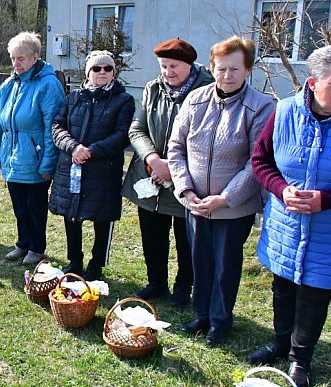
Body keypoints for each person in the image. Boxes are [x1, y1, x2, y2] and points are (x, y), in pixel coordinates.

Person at [247, 45, 331, 387]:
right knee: (283, 285)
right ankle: (280, 343)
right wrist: (282, 190)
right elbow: (261, 161)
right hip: (286, 222)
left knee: (314, 291)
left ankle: (300, 360)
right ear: (312, 83)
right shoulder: (285, 111)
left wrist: (328, 199)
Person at [168, 36, 275, 346]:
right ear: (212, 67)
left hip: (232, 205)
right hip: (196, 201)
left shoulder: (261, 107)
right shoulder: (195, 100)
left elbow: (257, 161)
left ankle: (220, 320)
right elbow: (176, 147)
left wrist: (225, 199)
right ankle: (200, 313)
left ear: (248, 70)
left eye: (235, 69)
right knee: (198, 258)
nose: (227, 76)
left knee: (225, 264)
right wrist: (186, 191)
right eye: (221, 68)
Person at [120, 38, 214, 306]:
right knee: (152, 233)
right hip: (149, 174)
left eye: (174, 66)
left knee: (186, 237)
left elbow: (206, 139)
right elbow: (137, 129)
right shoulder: (153, 88)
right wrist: (152, 159)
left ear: (189, 65)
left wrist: (173, 168)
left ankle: (184, 286)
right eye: (163, 66)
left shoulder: (206, 92)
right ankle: (156, 282)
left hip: (187, 180)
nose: (168, 72)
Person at [48, 50, 134, 280]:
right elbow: (57, 126)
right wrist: (73, 147)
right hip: (72, 165)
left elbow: (122, 135)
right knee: (71, 215)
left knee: (102, 217)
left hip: (103, 170)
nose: (102, 72)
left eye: (108, 68)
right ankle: (74, 260)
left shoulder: (123, 100)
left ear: (114, 72)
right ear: (88, 72)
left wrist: (92, 151)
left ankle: (97, 264)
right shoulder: (74, 96)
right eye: (97, 68)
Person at [0, 32, 64, 264]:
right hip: (11, 156)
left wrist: (47, 162)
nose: (16, 64)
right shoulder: (8, 85)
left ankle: (36, 247)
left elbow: (52, 127)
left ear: (34, 57)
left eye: (21, 58)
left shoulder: (48, 85)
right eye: (13, 58)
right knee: (19, 206)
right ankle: (23, 243)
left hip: (35, 157)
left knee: (35, 207)